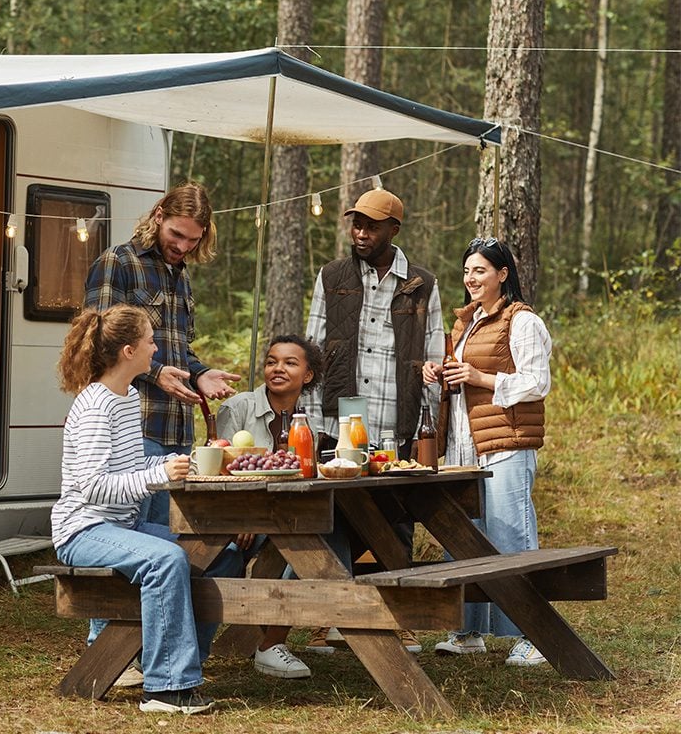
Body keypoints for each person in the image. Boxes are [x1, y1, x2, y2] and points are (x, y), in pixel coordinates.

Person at [51, 305, 240, 714]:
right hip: (83, 530)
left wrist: (176, 464)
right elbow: (92, 487)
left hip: (124, 525)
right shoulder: (97, 407)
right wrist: (156, 476)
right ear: (128, 350)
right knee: (167, 560)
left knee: (220, 553)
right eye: (151, 342)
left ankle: (179, 660)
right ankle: (167, 690)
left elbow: (131, 469)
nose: (156, 349)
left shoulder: (126, 397)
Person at [303, 187, 444, 654]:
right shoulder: (333, 276)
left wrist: (430, 419)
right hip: (347, 411)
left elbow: (434, 353)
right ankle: (334, 620)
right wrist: (311, 415)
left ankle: (395, 619)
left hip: (398, 415)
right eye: (355, 224)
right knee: (337, 515)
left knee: (397, 518)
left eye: (371, 225)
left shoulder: (421, 282)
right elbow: (314, 347)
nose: (360, 233)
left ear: (394, 230)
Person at [422, 237, 552, 667]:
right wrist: (438, 372)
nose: (471, 279)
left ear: (503, 274)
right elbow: (463, 382)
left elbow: (537, 381)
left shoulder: (522, 320)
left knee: (511, 535)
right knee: (465, 536)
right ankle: (468, 631)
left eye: (480, 270)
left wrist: (481, 376)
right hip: (464, 445)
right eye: (466, 271)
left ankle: (535, 635)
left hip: (506, 444)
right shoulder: (467, 322)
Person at [84, 182, 240, 524]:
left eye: (193, 240)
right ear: (158, 216)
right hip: (134, 426)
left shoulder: (181, 277)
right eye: (177, 234)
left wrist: (199, 374)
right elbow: (98, 342)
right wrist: (156, 374)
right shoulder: (119, 261)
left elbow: (179, 350)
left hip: (178, 432)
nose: (183, 246)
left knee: (169, 531)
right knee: (136, 532)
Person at [216, 334, 326, 680]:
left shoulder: (310, 421)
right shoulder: (239, 408)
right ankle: (265, 641)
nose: (278, 368)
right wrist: (247, 515)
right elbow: (222, 471)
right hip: (235, 520)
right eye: (272, 361)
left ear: (308, 375)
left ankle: (271, 643)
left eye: (290, 362)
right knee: (298, 542)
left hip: (282, 519)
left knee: (322, 540)